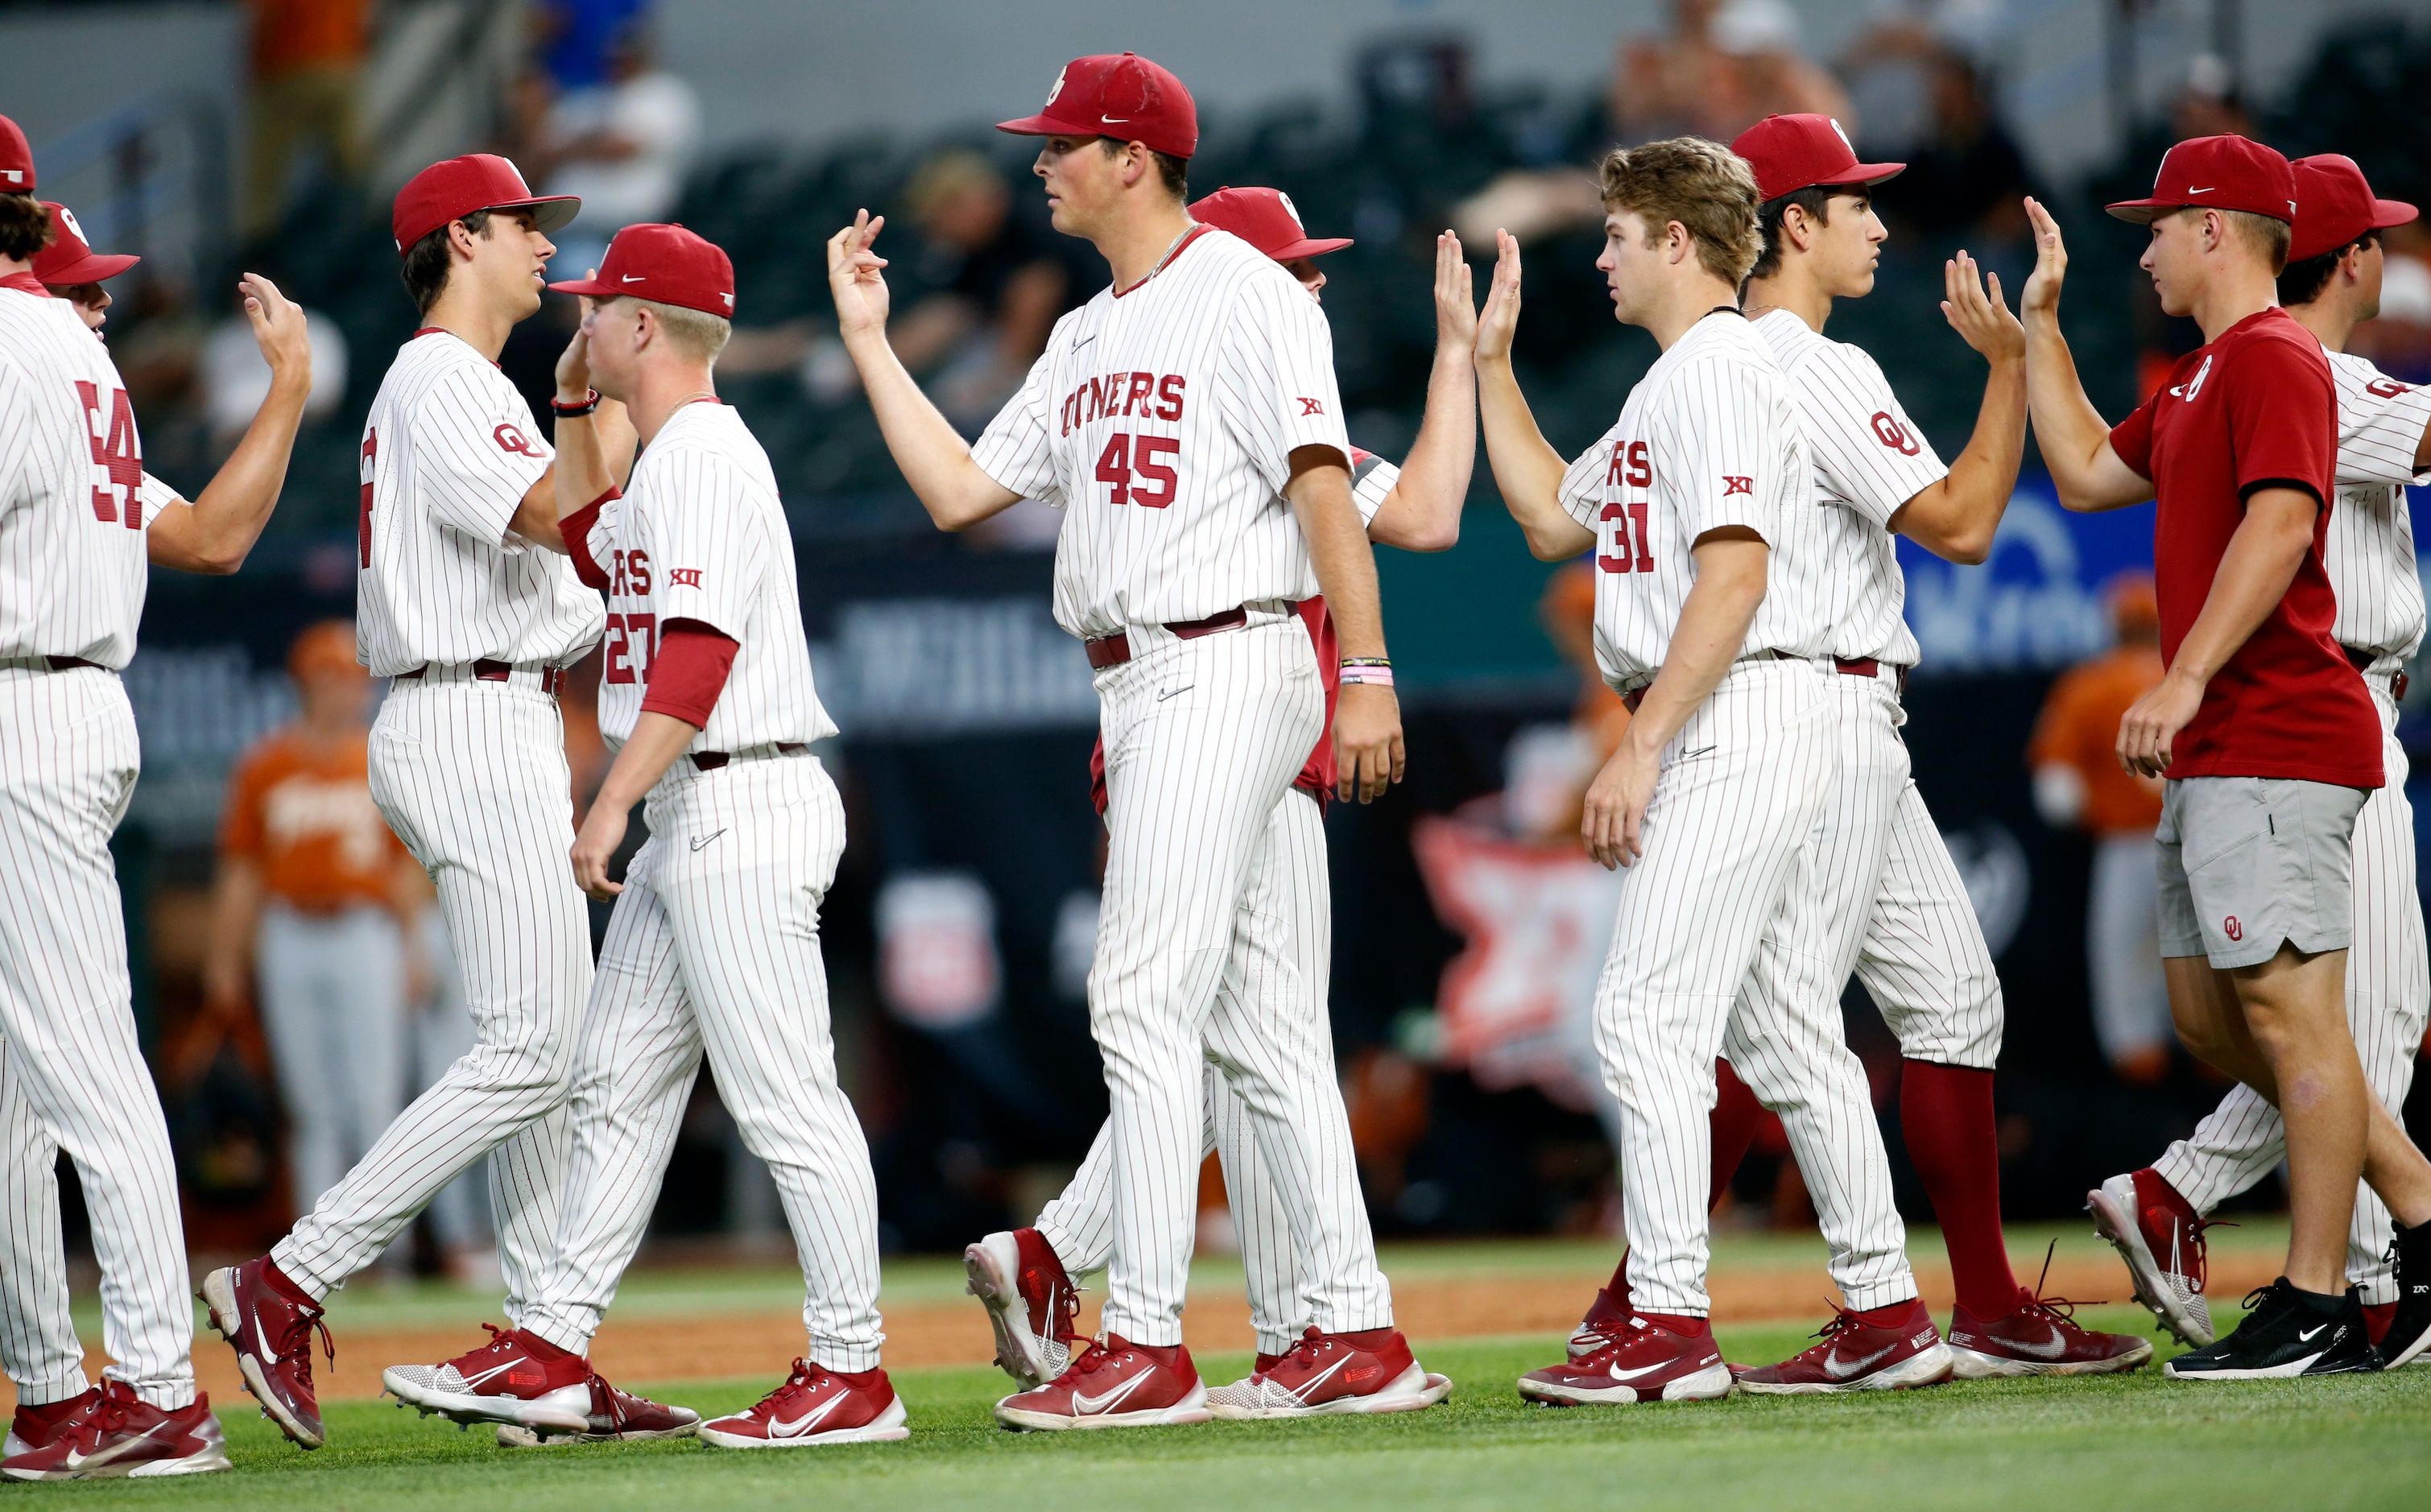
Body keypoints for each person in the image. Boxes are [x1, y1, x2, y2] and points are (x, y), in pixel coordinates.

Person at [829, 52, 1407, 1430]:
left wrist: (1367, 671)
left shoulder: (1245, 290)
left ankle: (1144, 1336)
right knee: (1258, 1023)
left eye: (1062, 144)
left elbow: (1324, 491)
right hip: (1143, 677)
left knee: (1138, 998)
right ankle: (1353, 1328)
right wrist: (866, 342)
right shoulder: (1084, 331)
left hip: (1223, 651)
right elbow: (966, 486)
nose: (1040, 162)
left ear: (1132, 157)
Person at [1561, 111, 2150, 1382]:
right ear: (1786, 224)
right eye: (1849, 202)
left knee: (1897, 1005)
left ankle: (1930, 1305)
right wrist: (2007, 364)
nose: (1877, 223)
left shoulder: (1696, 369)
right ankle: (1684, 1303)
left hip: (1804, 706)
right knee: (1762, 1023)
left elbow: (1556, 506)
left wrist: (1476, 359)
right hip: (1799, 703)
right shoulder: (1802, 362)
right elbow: (1961, 522)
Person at [378, 223, 893, 1448]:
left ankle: (853, 1367)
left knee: (783, 1100)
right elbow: (589, 549)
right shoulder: (661, 458)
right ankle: (551, 1342)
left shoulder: (705, 451)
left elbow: (700, 653)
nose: (581, 319)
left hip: (738, 797)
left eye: (600, 309)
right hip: (693, 811)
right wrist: (568, 410)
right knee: (612, 1086)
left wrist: (607, 794)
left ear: (647, 328)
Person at [961, 184, 1470, 1418]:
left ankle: (1249, 1313)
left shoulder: (1255, 373)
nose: (1312, 288)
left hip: (1232, 713)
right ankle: (1306, 1323)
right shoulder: (1199, 364)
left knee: (1239, 1029)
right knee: (1228, 1027)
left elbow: (1430, 511)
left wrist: (1458, 355)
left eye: (1309, 269)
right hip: (1191, 705)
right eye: (1292, 266)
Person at [1474, 134, 1935, 1407]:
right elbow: (1543, 518)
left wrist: (1639, 740)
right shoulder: (1669, 382)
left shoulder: (1719, 367)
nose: (1605, 256)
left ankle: (1666, 1323)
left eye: (1619, 234)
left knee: (1643, 1018)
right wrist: (1488, 367)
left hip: (1741, 700)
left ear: (1677, 241)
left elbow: (1734, 574)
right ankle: (1887, 1307)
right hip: (1755, 702)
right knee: (1789, 1028)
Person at [198, 154, 602, 1449]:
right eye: (524, 226)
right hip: (466, 714)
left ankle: (545, 1349)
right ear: (460, 237)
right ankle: (289, 1276)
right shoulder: (442, 374)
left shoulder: (453, 384)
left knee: (544, 1052)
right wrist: (602, 409)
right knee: (535, 1045)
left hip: (492, 704)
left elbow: (567, 572)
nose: (544, 245)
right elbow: (552, 513)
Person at [2023, 133, 2431, 1379]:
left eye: (2156, 223)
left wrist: (2186, 669)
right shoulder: (2211, 371)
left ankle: (2327, 1294)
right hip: (2221, 731)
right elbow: (2091, 471)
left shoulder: (2274, 360)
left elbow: (2282, 516)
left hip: (2282, 721)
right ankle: (2408, 1208)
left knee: (2324, 1018)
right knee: (2218, 1015)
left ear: (2213, 228)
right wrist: (2030, 333)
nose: (2139, 244)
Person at [0, 111, 312, 1482]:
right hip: (57, 694)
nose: (107, 295)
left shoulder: (17, 342)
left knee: (82, 1062)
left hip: (28, 701)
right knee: (21, 1086)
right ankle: (56, 1388)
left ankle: (150, 1385)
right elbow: (212, 536)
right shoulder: (73, 357)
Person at [202, 620, 426, 1235]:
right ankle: (318, 1252)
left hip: (365, 932)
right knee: (310, 1106)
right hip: (289, 934)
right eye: (329, 678)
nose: (343, 692)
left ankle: (388, 1255)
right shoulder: (266, 765)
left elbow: (406, 864)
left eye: (351, 680)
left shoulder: (380, 757)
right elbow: (242, 869)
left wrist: (413, 947)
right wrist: (224, 956)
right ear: (303, 684)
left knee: (376, 1098)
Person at [2030, 576, 2172, 1082]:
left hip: (2124, 849)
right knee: (2205, 963)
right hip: (2200, 844)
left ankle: (2139, 1078)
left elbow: (2056, 794)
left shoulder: (2089, 683)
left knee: (2126, 972)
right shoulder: (2184, 677)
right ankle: (2214, 1080)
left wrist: (2092, 805)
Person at [243, 0, 372, 238]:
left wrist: (256, 70)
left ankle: (257, 246)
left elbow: (266, 17)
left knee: (266, 173)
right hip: (339, 64)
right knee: (350, 163)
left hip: (289, 67)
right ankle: (357, 230)